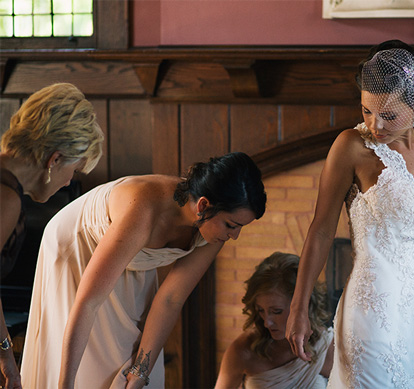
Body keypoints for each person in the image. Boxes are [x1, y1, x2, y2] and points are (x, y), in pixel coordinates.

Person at [284, 39, 414, 388]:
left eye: (388, 115)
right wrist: (298, 307)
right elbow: (321, 232)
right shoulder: (351, 147)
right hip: (372, 315)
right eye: (367, 110)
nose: (375, 125)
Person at [20, 151, 266, 389]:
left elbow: (171, 299)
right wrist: (65, 385)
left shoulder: (212, 231)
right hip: (79, 248)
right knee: (93, 366)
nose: (234, 236)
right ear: (203, 205)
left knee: (134, 368)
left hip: (134, 261)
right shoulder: (144, 208)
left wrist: (141, 370)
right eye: (232, 225)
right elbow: (88, 302)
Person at [0, 83, 104, 389]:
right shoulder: (6, 198)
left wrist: (6, 354)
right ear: (54, 159)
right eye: (75, 168)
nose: (71, 179)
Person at [216, 252, 333, 389]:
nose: (267, 322)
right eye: (260, 310)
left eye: (277, 311)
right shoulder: (244, 350)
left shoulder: (327, 348)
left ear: (303, 306)